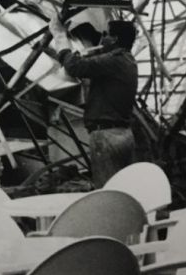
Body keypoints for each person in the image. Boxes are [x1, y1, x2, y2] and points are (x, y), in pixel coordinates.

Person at [50, 17, 144, 187]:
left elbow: (74, 67)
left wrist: (60, 37)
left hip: (106, 136)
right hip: (123, 134)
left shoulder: (114, 60)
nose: (103, 39)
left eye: (106, 35)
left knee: (107, 190)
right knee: (125, 189)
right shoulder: (127, 60)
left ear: (114, 39)